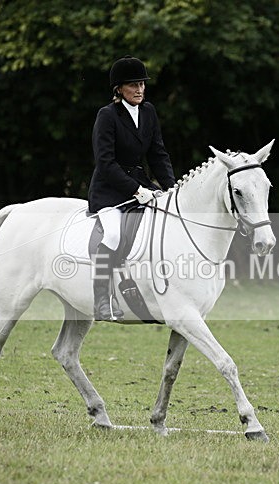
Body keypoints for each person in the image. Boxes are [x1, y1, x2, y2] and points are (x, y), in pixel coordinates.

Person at [88, 56, 177, 321]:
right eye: (132, 85)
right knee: (113, 235)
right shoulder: (107, 116)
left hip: (142, 186)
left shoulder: (148, 111)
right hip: (109, 192)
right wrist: (137, 190)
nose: (139, 89)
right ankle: (101, 299)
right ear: (119, 89)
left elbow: (158, 155)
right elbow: (105, 163)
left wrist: (172, 189)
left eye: (142, 84)